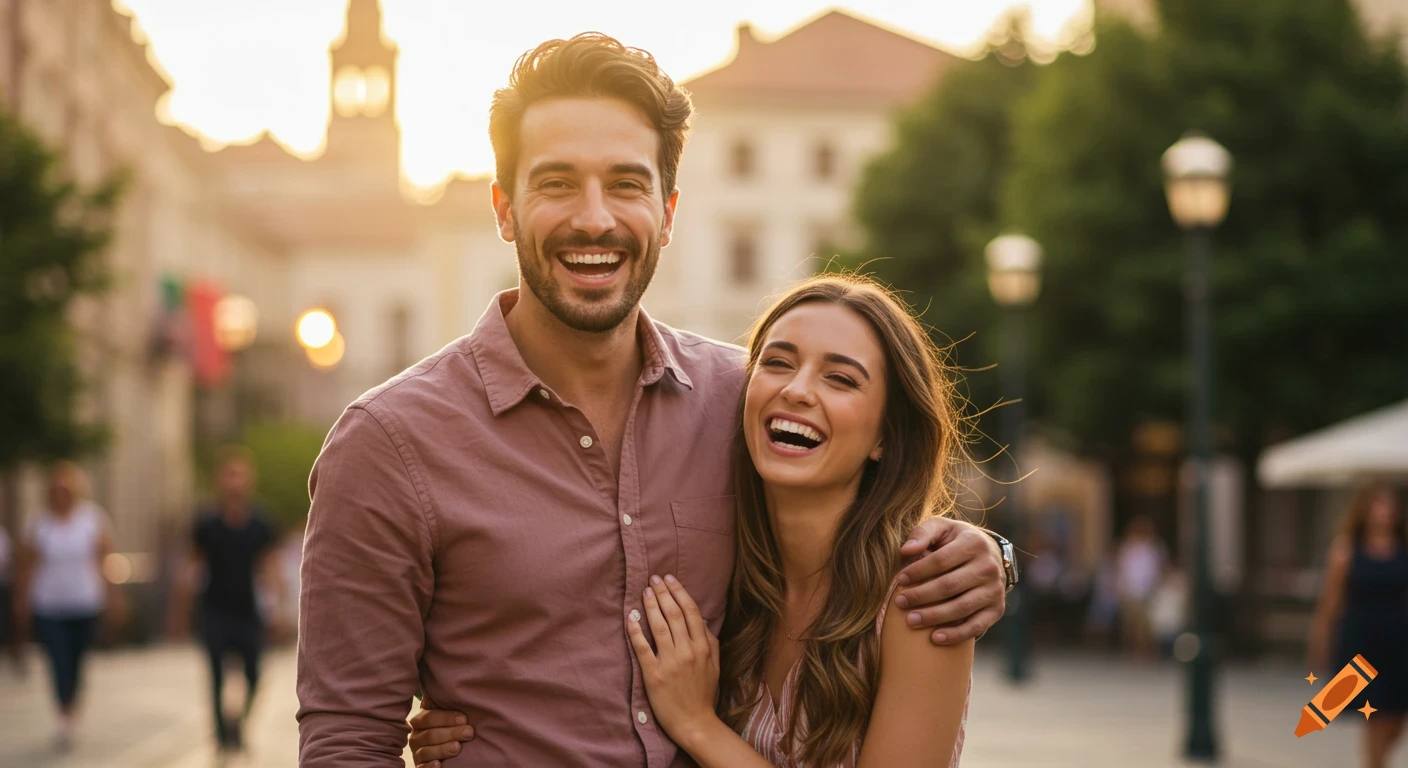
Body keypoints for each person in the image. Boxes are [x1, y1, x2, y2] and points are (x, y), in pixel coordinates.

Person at [297, 33, 1014, 767]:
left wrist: (990, 553)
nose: (595, 218)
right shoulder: (389, 444)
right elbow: (347, 735)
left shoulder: (747, 404)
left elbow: (863, 514)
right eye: (556, 184)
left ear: (668, 212)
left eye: (627, 184)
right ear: (504, 209)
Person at [417, 275, 974, 767]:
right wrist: (481, 725)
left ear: (886, 436)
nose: (797, 390)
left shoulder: (921, 597)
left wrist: (697, 726)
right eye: (777, 362)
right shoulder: (727, 571)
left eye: (842, 379)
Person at [168, 448, 284, 753]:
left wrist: (278, 609)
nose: (234, 481)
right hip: (214, 610)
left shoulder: (261, 523)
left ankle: (240, 723)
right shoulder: (206, 523)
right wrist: (180, 611)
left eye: (239, 474)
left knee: (254, 675)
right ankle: (221, 735)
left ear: (249, 480)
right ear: (220, 480)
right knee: (216, 675)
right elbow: (191, 566)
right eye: (229, 474)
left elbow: (271, 568)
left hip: (248, 611)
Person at [11, 461, 122, 750]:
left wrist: (114, 597)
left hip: (84, 603)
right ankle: (64, 715)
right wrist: (22, 600)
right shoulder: (39, 524)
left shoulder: (92, 520)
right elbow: (28, 566)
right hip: (49, 605)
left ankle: (71, 707)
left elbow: (105, 561)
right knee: (57, 660)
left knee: (76, 661)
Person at [1308, 483, 1407, 768]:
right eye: (1378, 504)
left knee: (1397, 720)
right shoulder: (1346, 551)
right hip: (1363, 644)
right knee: (1374, 717)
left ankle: (1377, 761)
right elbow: (1330, 605)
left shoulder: (1403, 549)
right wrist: (1320, 646)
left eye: (1389, 505)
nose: (1384, 512)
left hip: (1398, 644)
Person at [1114, 515, 1167, 663]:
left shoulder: (1154, 547)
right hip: (1131, 591)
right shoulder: (1128, 548)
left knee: (1146, 626)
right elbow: (1122, 569)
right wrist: (1121, 588)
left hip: (1147, 591)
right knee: (1130, 625)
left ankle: (1147, 653)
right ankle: (1132, 654)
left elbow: (1159, 568)